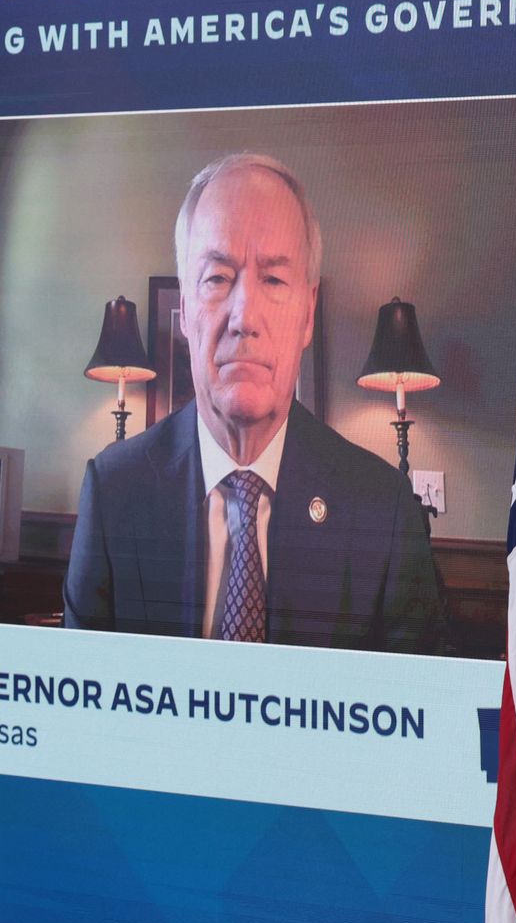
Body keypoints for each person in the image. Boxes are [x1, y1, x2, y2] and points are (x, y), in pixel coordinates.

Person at [61, 153, 445, 655]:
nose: (244, 316)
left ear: (307, 315)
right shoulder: (113, 491)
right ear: (185, 311)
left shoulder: (384, 511)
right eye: (217, 278)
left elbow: (415, 720)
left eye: (274, 280)